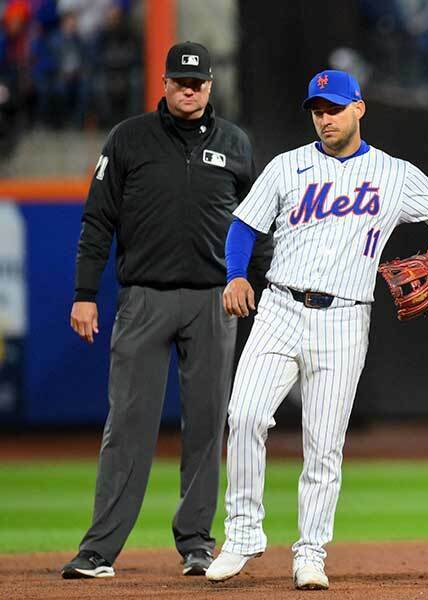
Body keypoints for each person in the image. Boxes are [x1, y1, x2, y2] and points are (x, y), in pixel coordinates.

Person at [205, 69, 428, 591]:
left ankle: (311, 552)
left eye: (334, 108)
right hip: (279, 306)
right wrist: (235, 275)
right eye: (317, 110)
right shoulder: (286, 167)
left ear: (358, 109)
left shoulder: (393, 174)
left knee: (323, 444)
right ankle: (242, 534)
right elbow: (244, 225)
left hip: (346, 316)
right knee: (246, 414)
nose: (325, 118)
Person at [63, 41, 265, 579]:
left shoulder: (236, 143)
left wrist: (252, 282)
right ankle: (99, 550)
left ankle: (197, 544)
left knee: (204, 425)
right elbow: (97, 220)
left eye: (198, 83)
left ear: (210, 87)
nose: (190, 90)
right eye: (181, 81)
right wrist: (85, 293)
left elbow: (262, 223)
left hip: (213, 300)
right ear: (165, 83)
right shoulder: (128, 138)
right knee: (127, 421)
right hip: (144, 298)